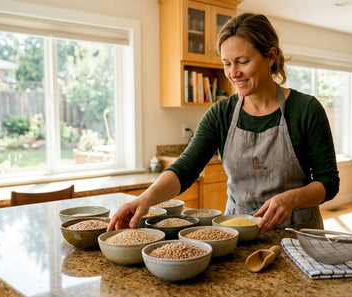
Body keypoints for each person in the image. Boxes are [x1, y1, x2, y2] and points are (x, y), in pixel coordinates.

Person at [108, 13, 339, 234]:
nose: (233, 73)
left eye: (242, 62)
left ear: (270, 56)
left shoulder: (306, 110)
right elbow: (186, 167)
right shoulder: (221, 113)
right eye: (227, 63)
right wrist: (144, 199)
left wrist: (292, 198)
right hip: (236, 235)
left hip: (298, 235)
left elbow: (328, 181)